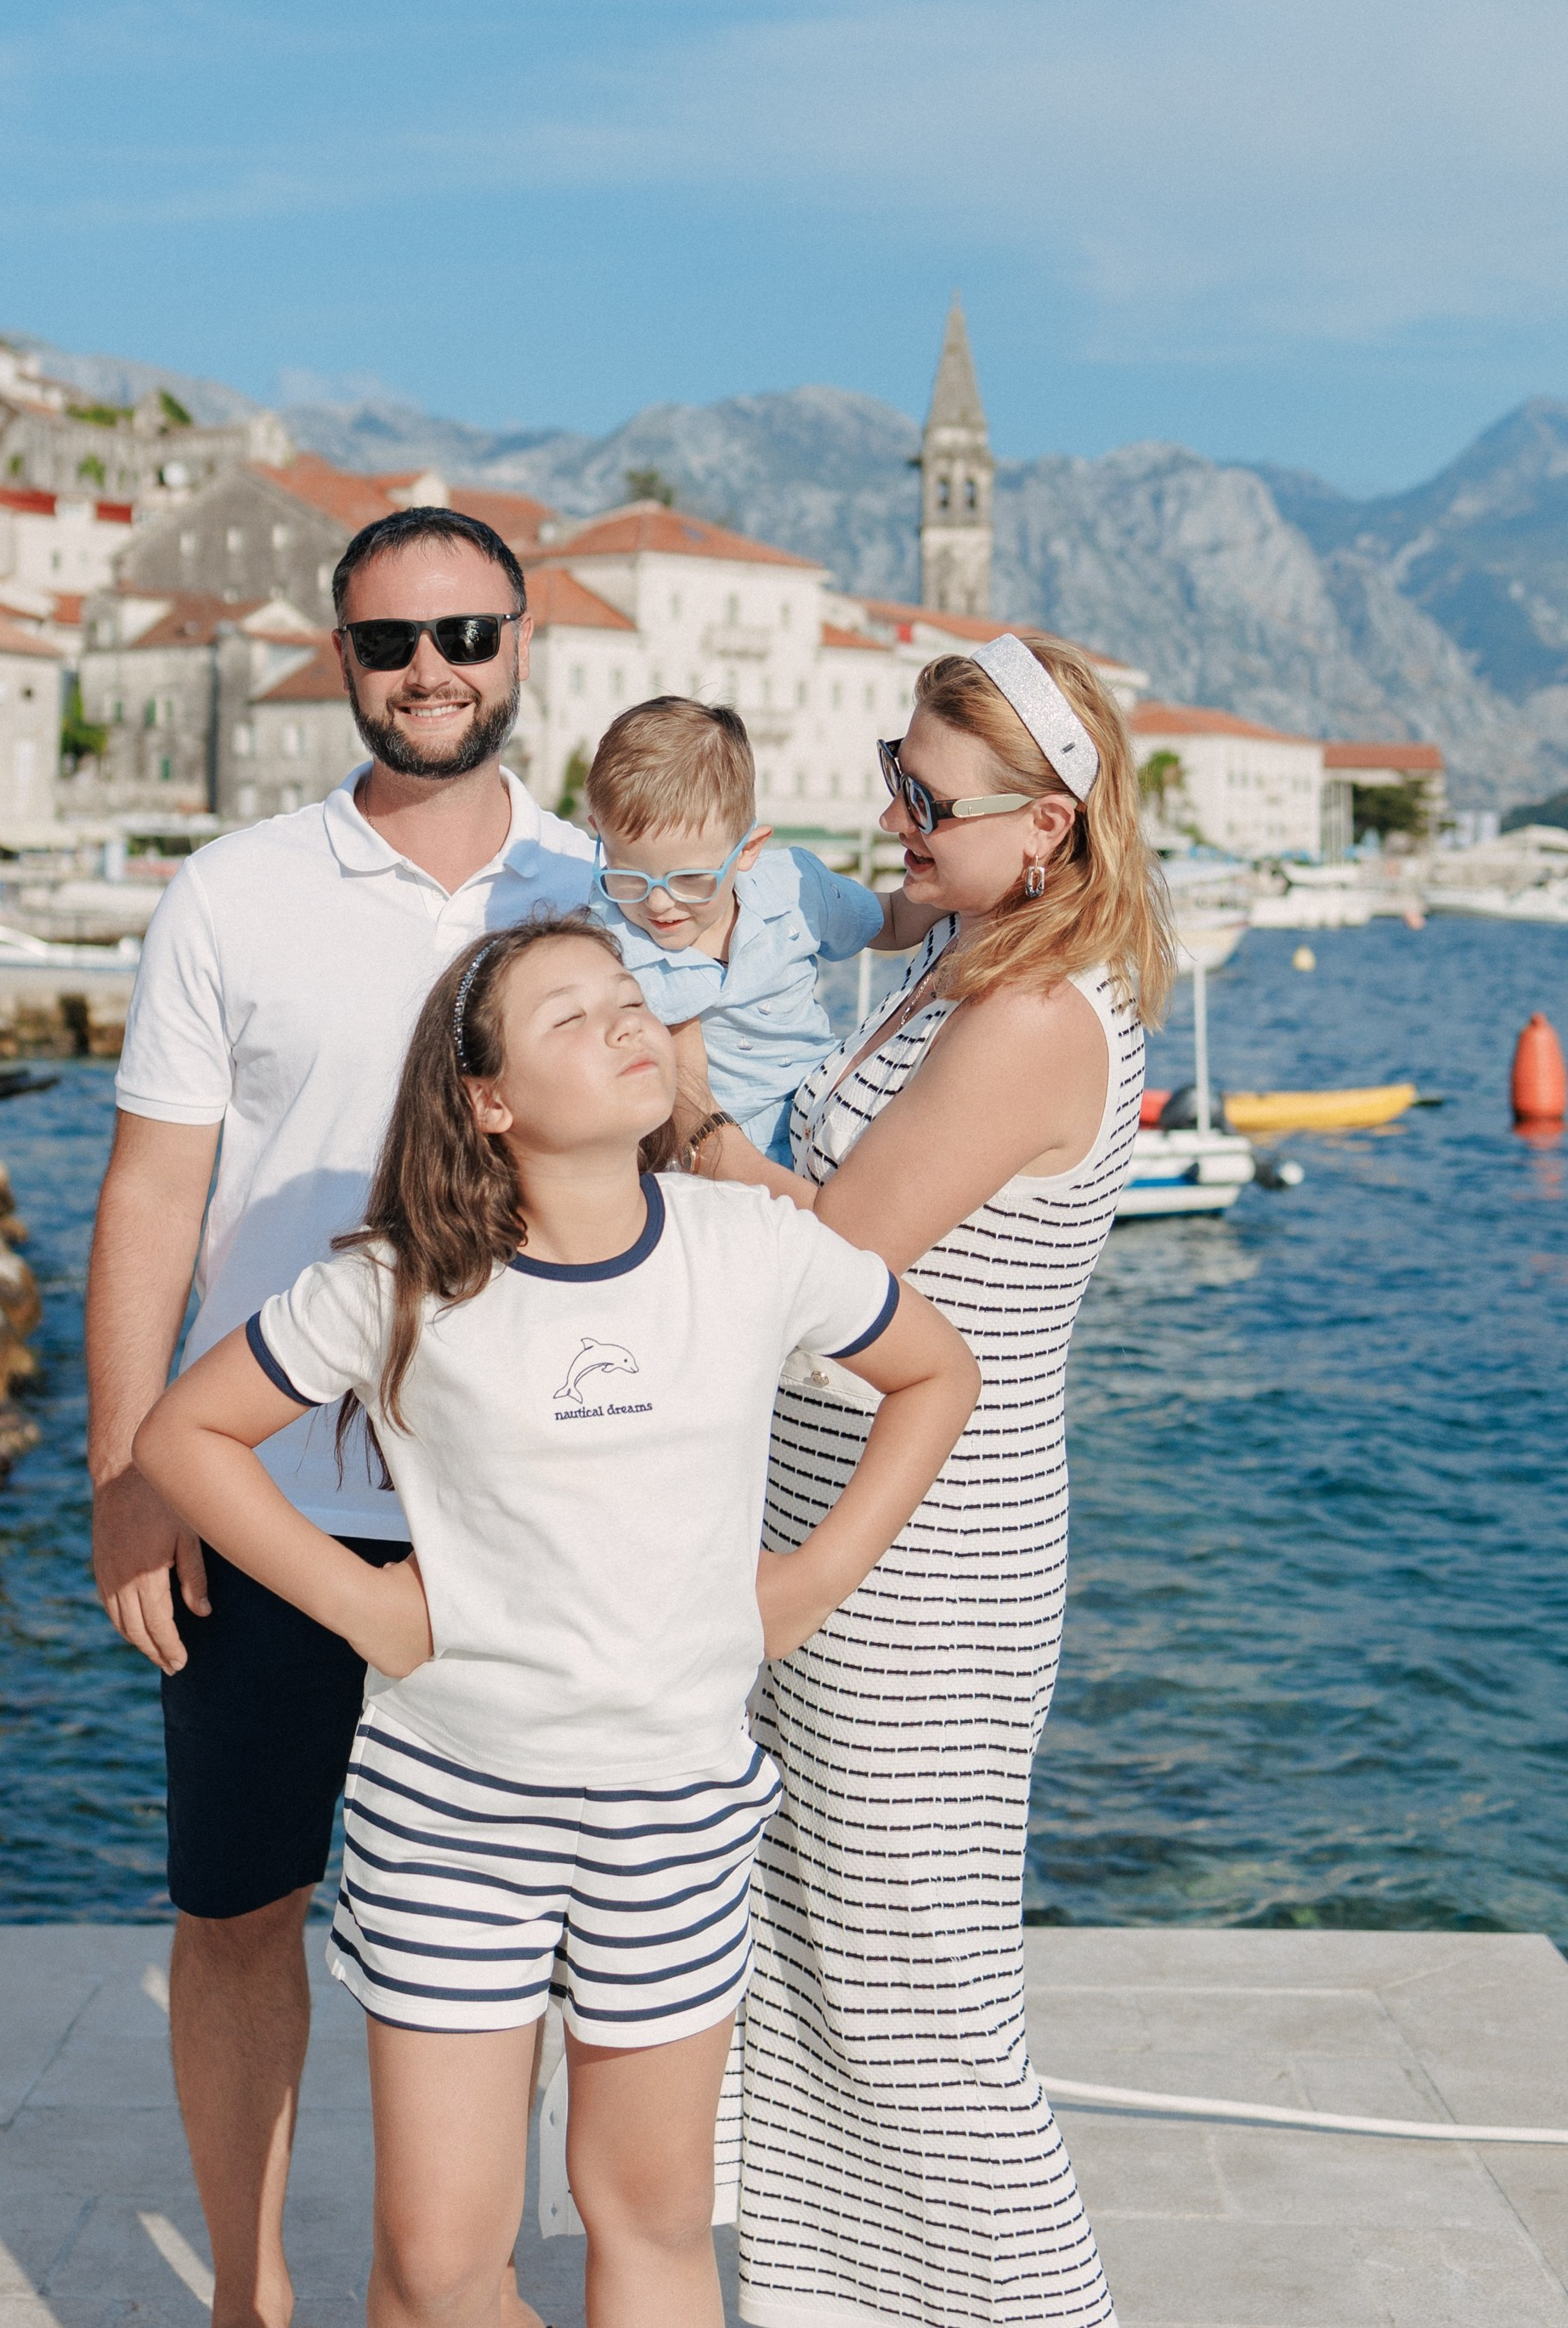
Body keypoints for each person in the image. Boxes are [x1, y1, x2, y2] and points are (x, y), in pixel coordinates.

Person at [133, 913, 980, 2328]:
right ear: (489, 1102)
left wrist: (817, 1577)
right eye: (569, 1019)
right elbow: (185, 1436)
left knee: (649, 2227)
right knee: (436, 2267)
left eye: (627, 998)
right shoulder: (407, 1283)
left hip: (678, 1808)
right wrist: (366, 1605)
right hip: (453, 1813)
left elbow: (935, 1373)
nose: (626, 1023)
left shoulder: (754, 1246)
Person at [85, 506, 594, 2328]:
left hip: (524, 1507)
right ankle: (248, 2297)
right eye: (391, 644)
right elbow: (151, 1198)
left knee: (511, 1939)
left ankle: (447, 2282)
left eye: (466, 634)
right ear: (340, 662)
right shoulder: (233, 892)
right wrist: (129, 1470)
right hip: (264, 1497)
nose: (431, 671)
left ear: (522, 644)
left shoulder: (599, 885)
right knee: (236, 1912)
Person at [687, 631, 1176, 2327]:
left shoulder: (1034, 1012)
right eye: (892, 770)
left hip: (920, 1569)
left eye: (925, 793)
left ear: (1044, 826)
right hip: (837, 1534)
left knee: (920, 2009)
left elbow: (831, 1261)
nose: (890, 808)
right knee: (812, 1970)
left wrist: (670, 1107)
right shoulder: (962, 959)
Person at [586, 695, 933, 1162]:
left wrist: (982, 889)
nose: (658, 902)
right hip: (704, 1153)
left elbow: (890, 920)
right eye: (628, 874)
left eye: (690, 879)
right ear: (599, 837)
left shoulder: (793, 888)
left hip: (827, 1116)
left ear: (748, 850)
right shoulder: (604, 938)